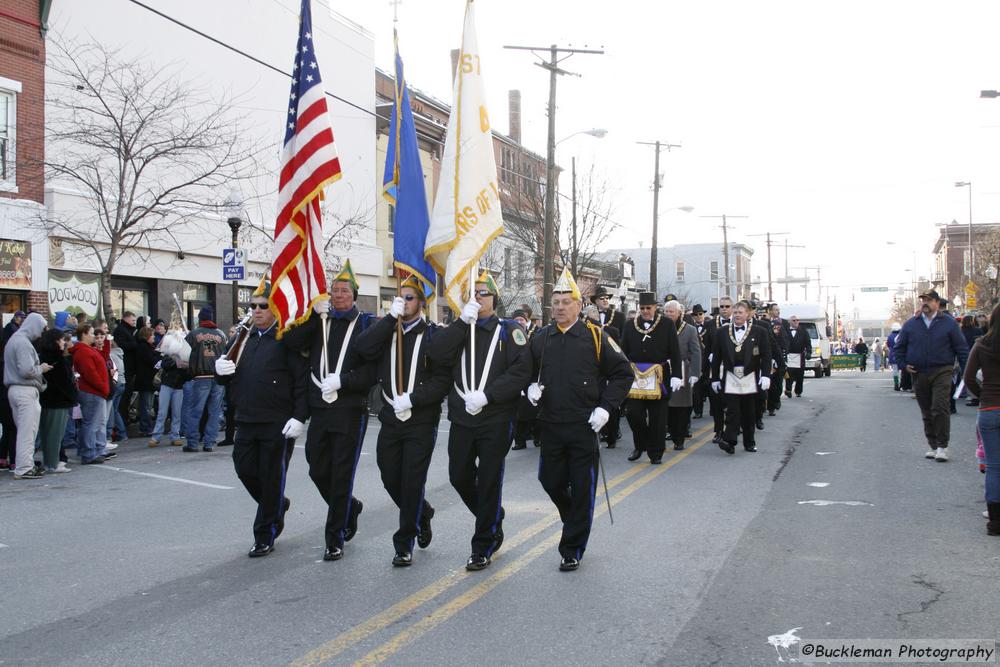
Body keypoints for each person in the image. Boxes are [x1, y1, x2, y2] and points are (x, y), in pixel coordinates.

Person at [527, 268, 632, 571]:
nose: (559, 307)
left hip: (584, 424)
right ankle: (575, 515)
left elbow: (623, 374)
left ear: (578, 305)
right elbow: (526, 371)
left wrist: (606, 408)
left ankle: (572, 548)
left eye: (565, 302)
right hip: (551, 423)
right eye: (555, 302)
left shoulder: (596, 337)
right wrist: (528, 389)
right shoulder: (542, 338)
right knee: (549, 480)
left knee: (582, 486)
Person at [429, 270, 532, 571]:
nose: (477, 297)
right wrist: (462, 321)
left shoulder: (509, 330)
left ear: (494, 299)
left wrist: (489, 395)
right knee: (459, 476)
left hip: (495, 418)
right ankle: (492, 516)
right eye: (472, 293)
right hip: (463, 418)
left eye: (483, 293)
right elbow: (436, 354)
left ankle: (482, 544)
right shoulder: (460, 328)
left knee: (488, 481)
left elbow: (520, 371)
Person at [282, 260, 377, 562]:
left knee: (340, 475)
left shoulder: (366, 325)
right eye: (334, 290)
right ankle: (350, 506)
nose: (338, 295)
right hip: (320, 409)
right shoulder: (321, 321)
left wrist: (345, 382)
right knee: (317, 467)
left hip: (349, 409)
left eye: (344, 291)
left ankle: (334, 537)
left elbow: (371, 372)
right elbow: (290, 343)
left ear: (354, 295)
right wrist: (312, 316)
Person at [354, 275, 451, 567]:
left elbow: (442, 379)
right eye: (401, 298)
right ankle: (422, 512)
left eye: (410, 298)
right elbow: (362, 348)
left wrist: (416, 398)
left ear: (421, 303)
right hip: (391, 418)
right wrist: (388, 320)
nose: (405, 302)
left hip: (421, 419)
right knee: (389, 476)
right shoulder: (386, 331)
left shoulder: (433, 335)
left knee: (411, 481)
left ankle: (404, 541)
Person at [214, 283, 309, 557]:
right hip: (246, 417)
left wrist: (299, 416)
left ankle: (265, 534)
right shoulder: (243, 338)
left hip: (277, 421)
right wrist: (218, 369)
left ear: (275, 308)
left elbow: (301, 382)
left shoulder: (286, 338)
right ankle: (277, 503)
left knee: (271, 477)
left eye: (262, 305)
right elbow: (225, 373)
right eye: (252, 306)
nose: (256, 310)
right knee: (244, 469)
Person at [892, 289, 969, 462]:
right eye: (922, 300)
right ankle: (933, 445)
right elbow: (899, 347)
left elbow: (961, 348)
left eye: (928, 300)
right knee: (926, 410)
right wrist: (904, 365)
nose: (924, 303)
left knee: (940, 407)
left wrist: (967, 371)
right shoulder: (911, 324)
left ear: (936, 303)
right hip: (919, 372)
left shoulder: (948, 323)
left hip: (942, 370)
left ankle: (942, 446)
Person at [620, 291, 683, 464]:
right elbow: (622, 352)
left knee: (658, 418)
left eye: (649, 307)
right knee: (634, 414)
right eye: (642, 308)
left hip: (659, 376)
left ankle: (656, 452)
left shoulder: (666, 324)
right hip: (636, 378)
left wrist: (677, 375)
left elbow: (675, 352)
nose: (645, 311)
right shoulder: (629, 325)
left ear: (655, 307)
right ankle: (640, 445)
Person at [711, 301, 772, 454]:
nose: (737, 315)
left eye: (740, 312)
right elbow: (716, 357)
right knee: (732, 410)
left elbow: (766, 355)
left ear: (748, 314)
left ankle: (749, 442)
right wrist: (715, 378)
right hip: (730, 376)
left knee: (749, 411)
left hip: (750, 376)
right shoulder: (722, 332)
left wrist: (765, 376)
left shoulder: (759, 332)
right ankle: (730, 441)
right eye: (735, 312)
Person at [962, 302, 1000, 536]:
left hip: (989, 410)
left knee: (995, 467)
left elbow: (968, 378)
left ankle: (995, 523)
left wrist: (982, 396)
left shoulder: (982, 345)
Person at [3, 313, 50, 478]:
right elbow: (26, 371)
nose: (40, 334)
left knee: (23, 431)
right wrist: (42, 368)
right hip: (24, 390)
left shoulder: (14, 340)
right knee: (27, 432)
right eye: (41, 329)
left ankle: (24, 465)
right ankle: (24, 468)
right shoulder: (22, 343)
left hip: (15, 390)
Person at [182, 306, 227, 452]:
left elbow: (183, 355)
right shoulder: (221, 335)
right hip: (218, 376)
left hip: (201, 376)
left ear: (200, 319)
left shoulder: (193, 334)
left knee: (195, 410)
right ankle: (209, 442)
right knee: (214, 411)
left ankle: (193, 443)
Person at [663, 300, 701, 451]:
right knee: (667, 406)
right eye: (666, 311)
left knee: (682, 407)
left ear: (679, 313)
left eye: (671, 311)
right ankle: (671, 432)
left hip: (683, 370)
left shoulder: (690, 330)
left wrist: (695, 373)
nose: (668, 314)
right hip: (664, 369)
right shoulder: (660, 328)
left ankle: (679, 438)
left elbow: (696, 352)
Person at [38, 328, 77, 474]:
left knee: (47, 433)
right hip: (58, 400)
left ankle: (50, 461)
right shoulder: (58, 358)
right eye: (61, 340)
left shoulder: (43, 355)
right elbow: (64, 381)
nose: (64, 343)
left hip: (47, 399)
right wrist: (72, 395)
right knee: (55, 434)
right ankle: (53, 463)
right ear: (55, 341)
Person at [71, 324, 111, 465]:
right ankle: (88, 453)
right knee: (91, 424)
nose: (94, 336)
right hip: (92, 392)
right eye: (92, 333)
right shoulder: (83, 352)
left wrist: (107, 342)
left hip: (93, 391)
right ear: (85, 334)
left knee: (91, 423)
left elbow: (104, 356)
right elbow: (90, 373)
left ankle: (87, 450)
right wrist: (103, 387)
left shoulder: (87, 350)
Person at [148, 328, 189, 448]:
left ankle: (175, 435)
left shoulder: (185, 354)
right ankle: (156, 436)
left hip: (178, 385)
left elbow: (187, 373)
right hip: (167, 384)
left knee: (177, 412)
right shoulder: (168, 353)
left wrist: (184, 367)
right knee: (162, 412)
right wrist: (175, 362)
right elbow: (164, 365)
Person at [510, 309, 540, 450]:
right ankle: (519, 441)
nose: (519, 322)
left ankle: (537, 437)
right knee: (518, 414)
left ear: (526, 320)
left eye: (522, 319)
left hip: (531, 376)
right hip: (515, 377)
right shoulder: (508, 333)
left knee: (534, 409)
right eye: (517, 320)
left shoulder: (535, 333)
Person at [113, 311, 138, 427]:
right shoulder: (121, 330)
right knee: (124, 397)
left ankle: (124, 418)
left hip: (129, 367)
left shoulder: (128, 330)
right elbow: (123, 346)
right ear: (126, 319)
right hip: (126, 367)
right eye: (133, 320)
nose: (134, 322)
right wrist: (134, 344)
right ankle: (122, 421)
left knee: (127, 395)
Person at [133, 326, 159, 437]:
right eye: (152, 335)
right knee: (146, 406)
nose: (153, 337)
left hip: (146, 380)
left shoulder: (146, 347)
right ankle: (145, 427)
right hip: (145, 381)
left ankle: (146, 426)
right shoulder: (144, 347)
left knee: (147, 405)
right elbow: (151, 361)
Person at [690, 304, 711, 420]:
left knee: (708, 385)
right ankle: (698, 411)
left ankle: (713, 408)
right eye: (696, 314)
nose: (698, 316)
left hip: (708, 360)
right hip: (696, 360)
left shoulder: (709, 326)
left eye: (700, 314)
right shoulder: (690, 327)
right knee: (696, 389)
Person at [784, 315, 812, 398]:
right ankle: (788, 389)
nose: (796, 321)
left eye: (797, 320)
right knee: (789, 374)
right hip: (789, 355)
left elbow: (808, 343)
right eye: (793, 320)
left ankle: (798, 391)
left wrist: (809, 352)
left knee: (800, 374)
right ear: (789, 322)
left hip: (800, 355)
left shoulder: (803, 331)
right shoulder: (785, 331)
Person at [961, 315, 985, 406]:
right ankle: (976, 396)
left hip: (965, 354)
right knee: (976, 375)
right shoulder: (977, 330)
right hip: (976, 354)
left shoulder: (961, 331)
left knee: (967, 374)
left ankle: (971, 395)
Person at [887, 322, 902, 390]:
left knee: (895, 371)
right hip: (901, 354)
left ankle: (896, 384)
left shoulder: (890, 336)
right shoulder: (902, 335)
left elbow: (888, 345)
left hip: (893, 354)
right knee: (903, 370)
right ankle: (903, 384)